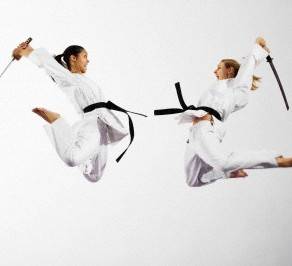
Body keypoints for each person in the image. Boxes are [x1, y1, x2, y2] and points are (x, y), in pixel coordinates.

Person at [178, 37, 292, 187]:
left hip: (205, 128)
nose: (214, 71)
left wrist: (257, 49)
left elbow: (246, 71)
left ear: (229, 70)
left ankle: (275, 159)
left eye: (219, 67)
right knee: (192, 180)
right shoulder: (221, 86)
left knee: (223, 163)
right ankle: (228, 173)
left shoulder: (233, 88)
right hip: (194, 134)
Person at [12, 43, 130, 182]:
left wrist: (29, 49)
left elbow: (53, 62)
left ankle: (75, 142)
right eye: (85, 56)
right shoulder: (70, 79)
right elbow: (50, 65)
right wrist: (25, 51)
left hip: (103, 125)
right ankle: (57, 121)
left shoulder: (81, 79)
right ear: (73, 58)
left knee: (94, 176)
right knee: (72, 158)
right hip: (94, 123)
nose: (88, 60)